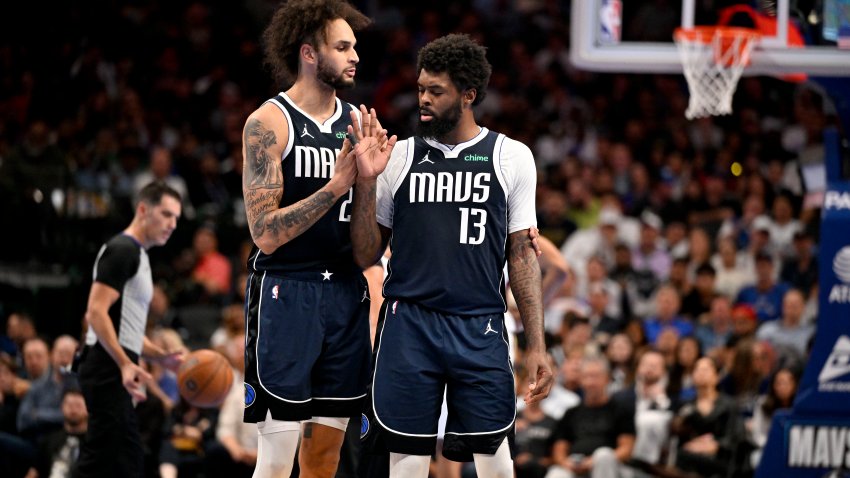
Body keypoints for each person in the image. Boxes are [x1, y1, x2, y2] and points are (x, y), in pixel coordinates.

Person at [349, 33, 553, 478]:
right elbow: (367, 253)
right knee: (406, 464)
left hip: (479, 323)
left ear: (468, 95)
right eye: (421, 88)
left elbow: (522, 255)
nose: (423, 99)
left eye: (435, 91)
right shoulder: (398, 157)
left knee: (497, 465)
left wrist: (537, 343)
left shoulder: (511, 157)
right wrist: (366, 182)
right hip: (410, 324)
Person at [240, 1, 373, 477]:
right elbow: (265, 234)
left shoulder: (358, 123)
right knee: (276, 462)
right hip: (285, 290)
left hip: (343, 293)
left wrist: (369, 182)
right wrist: (336, 185)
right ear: (309, 54)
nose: (355, 55)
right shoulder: (269, 122)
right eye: (342, 46)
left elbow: (367, 247)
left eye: (355, 45)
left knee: (323, 460)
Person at [74, 181, 184, 478]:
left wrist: (162, 356)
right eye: (166, 214)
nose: (172, 224)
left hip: (113, 364)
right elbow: (95, 312)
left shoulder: (140, 255)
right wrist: (124, 363)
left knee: (127, 460)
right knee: (102, 459)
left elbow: (129, 330)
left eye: (176, 218)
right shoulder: (123, 250)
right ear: (143, 209)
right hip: (106, 365)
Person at [546, 357, 635, 478]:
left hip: (611, 467)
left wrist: (594, 461)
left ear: (607, 379)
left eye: (595, 376)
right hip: (577, 466)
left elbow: (626, 449)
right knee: (556, 474)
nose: (590, 382)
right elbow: (559, 448)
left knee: (603, 455)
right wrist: (566, 463)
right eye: (586, 377)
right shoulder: (571, 413)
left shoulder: (620, 410)